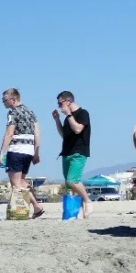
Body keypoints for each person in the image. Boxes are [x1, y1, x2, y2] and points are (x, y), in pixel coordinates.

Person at [0, 89, 45, 218]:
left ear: (13, 99)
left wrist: (1, 153)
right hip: (29, 150)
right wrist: (36, 152)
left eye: (4, 100)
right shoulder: (30, 112)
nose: (3, 102)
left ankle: (25, 209)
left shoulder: (12, 112)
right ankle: (36, 207)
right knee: (22, 181)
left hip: (17, 150)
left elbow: (9, 133)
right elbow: (37, 133)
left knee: (16, 184)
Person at [53, 91, 92, 219]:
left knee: (72, 180)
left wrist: (69, 114)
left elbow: (78, 129)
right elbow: (64, 135)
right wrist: (57, 120)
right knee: (70, 186)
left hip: (79, 152)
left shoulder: (82, 113)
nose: (59, 106)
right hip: (66, 152)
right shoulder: (67, 118)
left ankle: (87, 201)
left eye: (60, 103)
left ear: (68, 101)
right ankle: (78, 211)